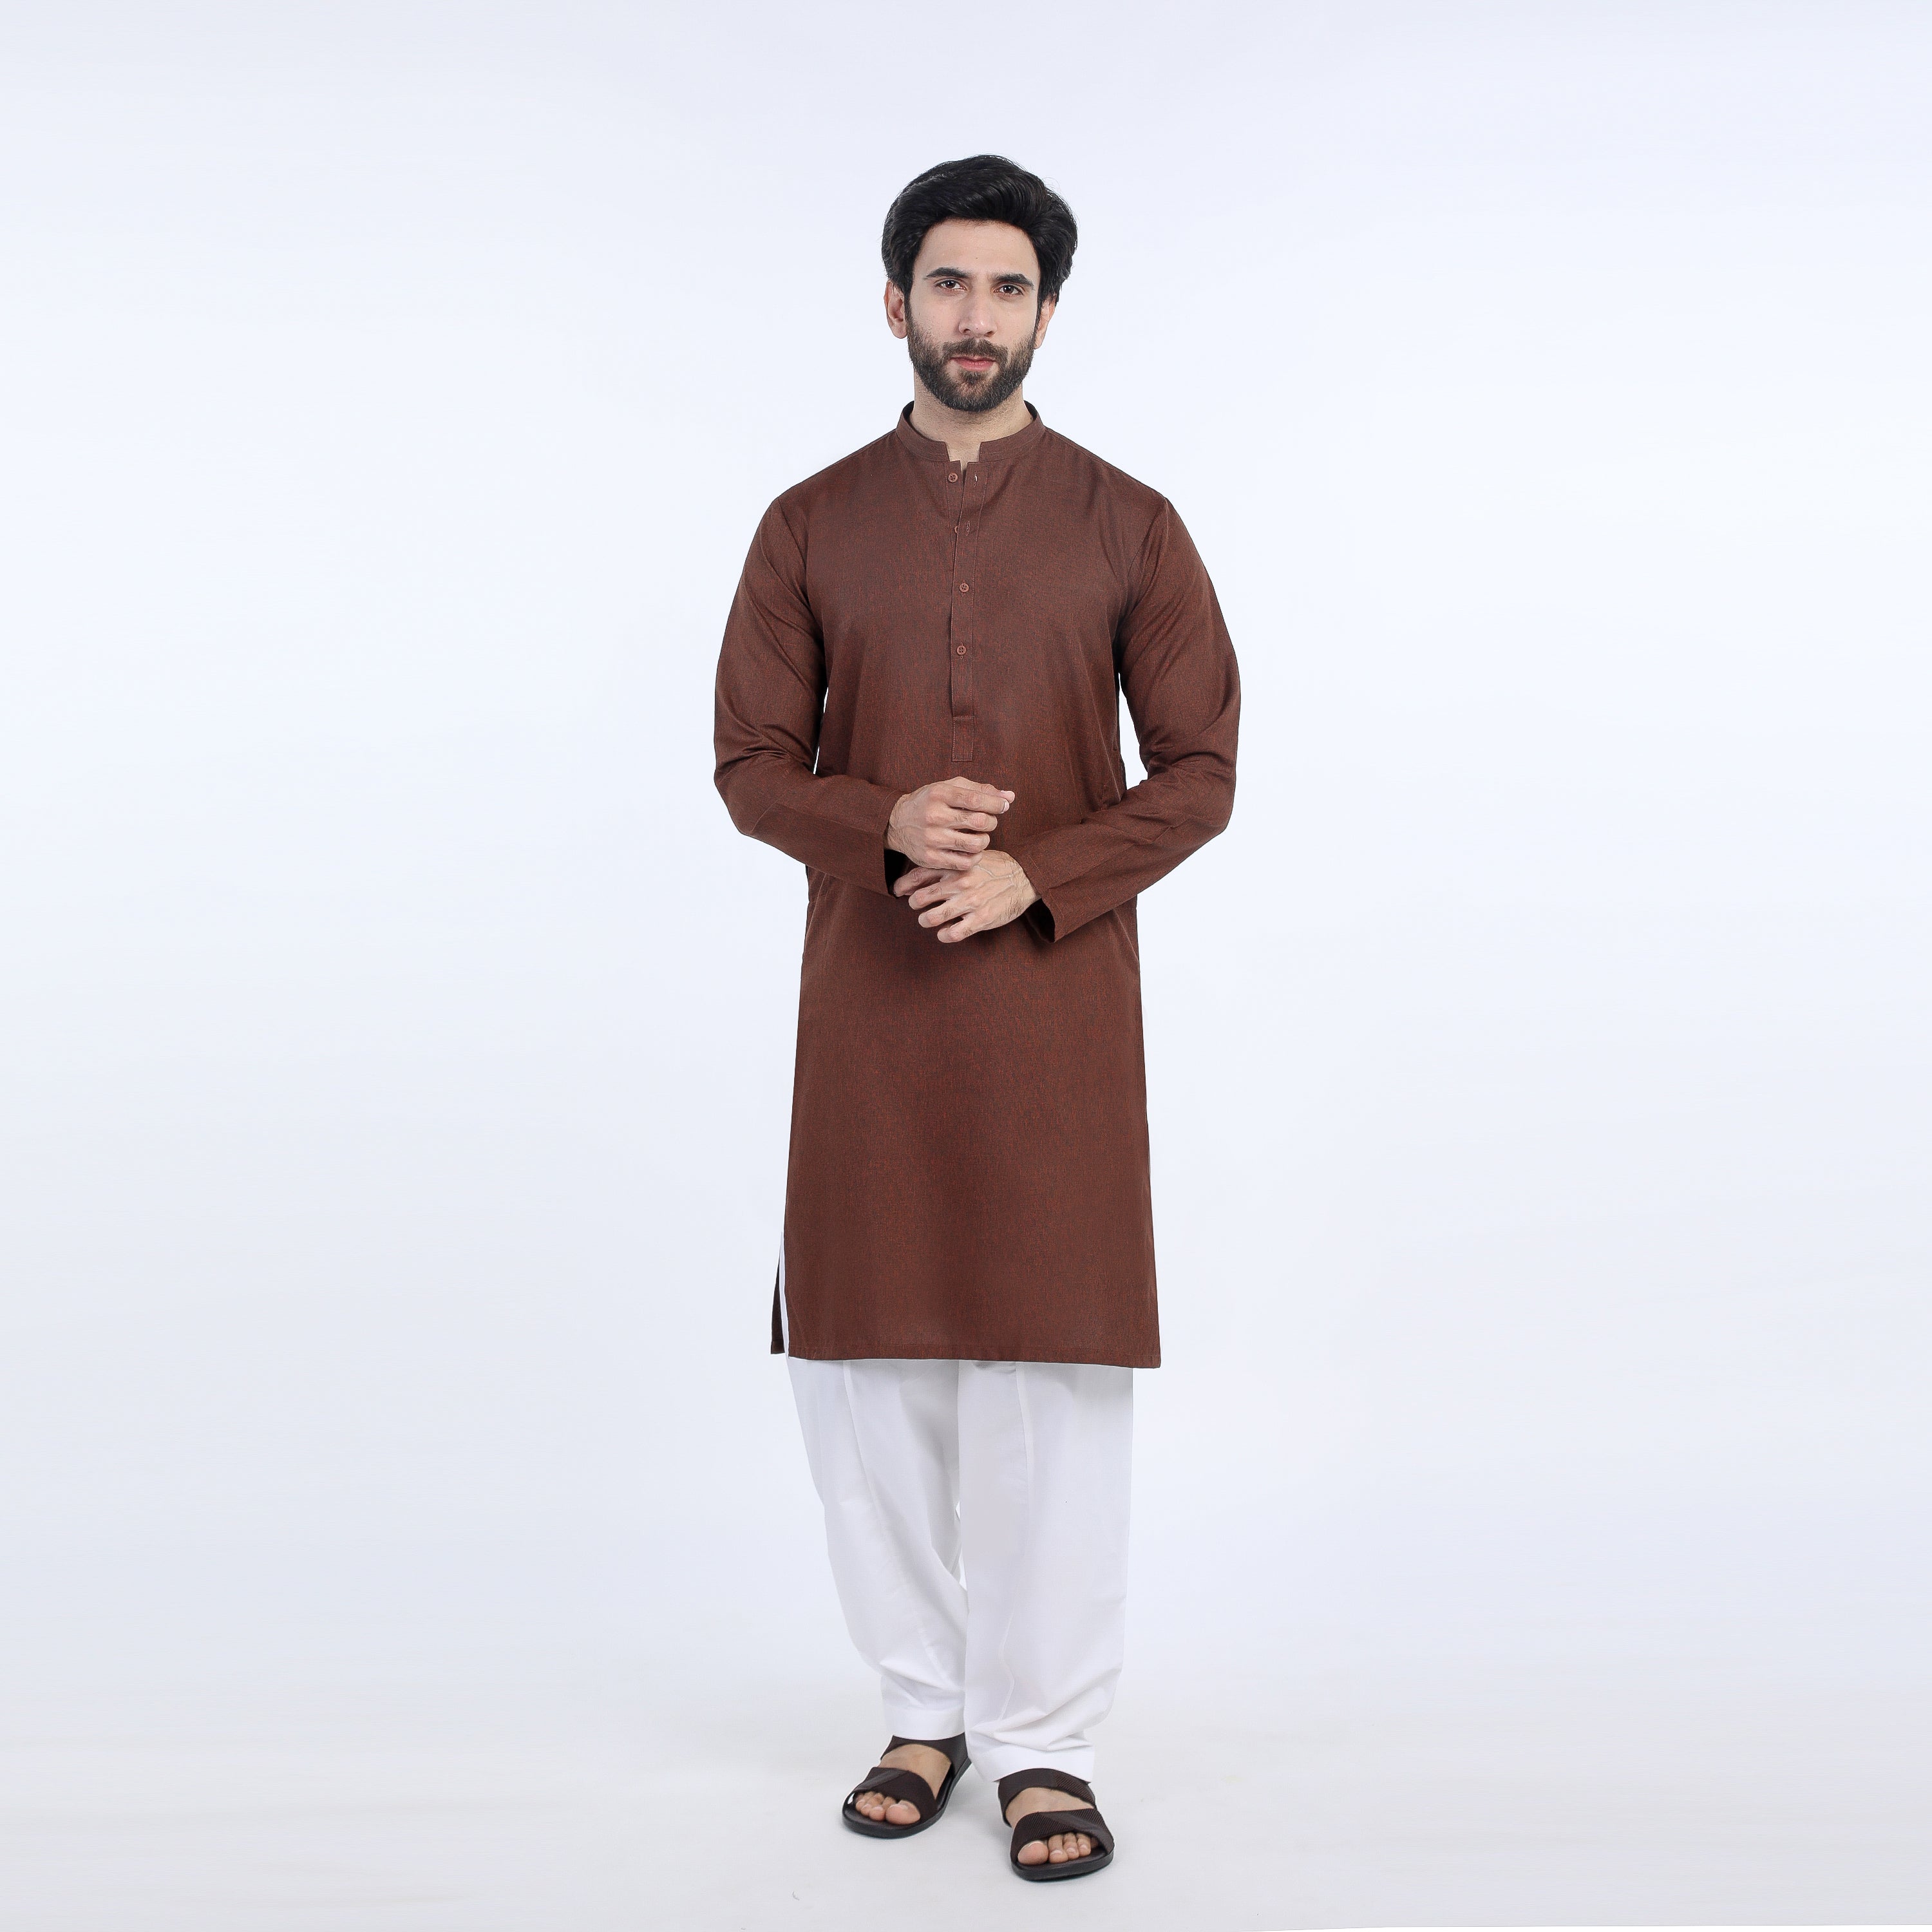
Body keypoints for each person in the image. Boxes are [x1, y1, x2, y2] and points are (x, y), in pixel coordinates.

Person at [712, 154, 1240, 1882]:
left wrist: (1039, 873)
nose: (976, 315)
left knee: (1050, 1383)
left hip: (1053, 1009)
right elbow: (748, 765)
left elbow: (1203, 770)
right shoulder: (808, 524)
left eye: (1009, 287)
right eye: (948, 282)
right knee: (866, 1380)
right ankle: (922, 1710)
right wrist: (880, 820)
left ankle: (1043, 1742)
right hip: (870, 1013)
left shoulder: (1130, 524)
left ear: (1047, 315)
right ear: (895, 303)